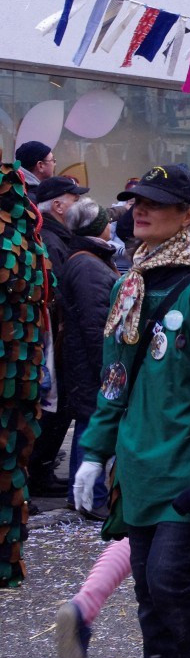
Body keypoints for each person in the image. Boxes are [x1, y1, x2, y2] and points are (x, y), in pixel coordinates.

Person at [72, 164, 190, 658]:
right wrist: (95, 453)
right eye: (135, 201)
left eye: (154, 202)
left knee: (169, 577)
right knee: (149, 588)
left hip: (189, 468)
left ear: (187, 216)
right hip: (140, 466)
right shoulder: (129, 285)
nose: (139, 210)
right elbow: (114, 381)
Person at [0, 161, 52, 587]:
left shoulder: (13, 241)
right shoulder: (31, 243)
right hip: (22, 377)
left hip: (16, 373)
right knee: (10, 468)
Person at [29, 175, 90, 499]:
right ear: (58, 205)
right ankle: (38, 472)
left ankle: (41, 471)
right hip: (56, 341)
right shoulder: (53, 241)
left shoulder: (58, 238)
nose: (78, 203)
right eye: (74, 197)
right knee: (54, 410)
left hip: (60, 340)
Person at [60, 199, 118, 521]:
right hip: (89, 363)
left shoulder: (90, 259)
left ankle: (82, 495)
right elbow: (96, 324)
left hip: (84, 360)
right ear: (99, 227)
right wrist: (105, 369)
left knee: (89, 421)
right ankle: (90, 497)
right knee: (91, 422)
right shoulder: (88, 265)